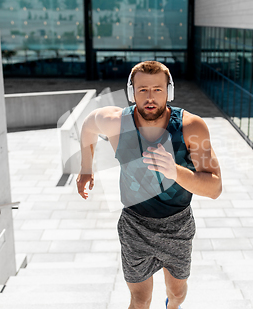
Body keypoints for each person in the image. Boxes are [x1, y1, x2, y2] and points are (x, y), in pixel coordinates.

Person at [76, 61, 222, 309]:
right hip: (134, 224)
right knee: (140, 300)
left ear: (169, 92)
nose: (150, 97)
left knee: (177, 293)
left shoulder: (191, 127)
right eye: (143, 90)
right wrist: (86, 168)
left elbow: (215, 188)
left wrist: (174, 171)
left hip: (178, 224)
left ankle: (172, 305)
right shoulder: (115, 123)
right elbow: (89, 125)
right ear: (132, 92)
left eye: (158, 89)